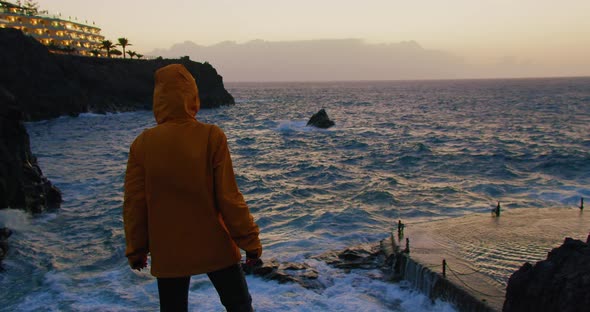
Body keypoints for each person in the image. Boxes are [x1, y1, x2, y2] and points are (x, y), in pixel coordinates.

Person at [123, 64, 262, 312]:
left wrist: (137, 249)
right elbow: (229, 198)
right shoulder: (211, 136)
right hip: (215, 247)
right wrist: (250, 243)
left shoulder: (142, 144)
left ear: (159, 98)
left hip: (169, 252)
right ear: (192, 95)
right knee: (239, 306)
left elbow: (135, 204)